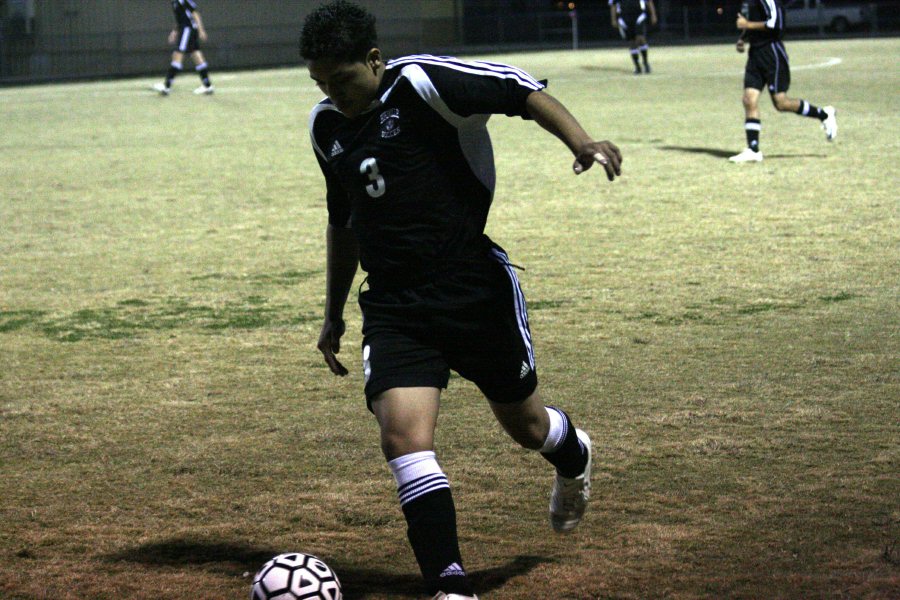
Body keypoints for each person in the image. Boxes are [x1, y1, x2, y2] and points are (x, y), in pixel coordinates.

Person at [301, 1, 622, 598]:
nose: (332, 94)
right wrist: (331, 314)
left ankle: (573, 453)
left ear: (374, 59)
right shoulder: (326, 128)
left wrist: (581, 141)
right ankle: (451, 585)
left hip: (470, 287)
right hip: (396, 305)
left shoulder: (423, 82)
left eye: (341, 79)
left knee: (525, 426)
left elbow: (521, 90)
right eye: (320, 82)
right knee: (403, 442)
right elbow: (342, 219)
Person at [729, 0, 837, 162]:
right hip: (755, 54)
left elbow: (776, 23)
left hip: (772, 54)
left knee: (781, 103)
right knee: (748, 100)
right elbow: (755, 18)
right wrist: (743, 38)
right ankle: (753, 149)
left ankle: (824, 114)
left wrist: (747, 25)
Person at [153, 0, 214, 95]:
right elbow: (181, 19)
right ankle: (207, 85)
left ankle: (167, 86)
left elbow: (195, 13)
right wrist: (175, 31)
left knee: (177, 55)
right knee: (196, 55)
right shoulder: (175, 2)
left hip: (187, 30)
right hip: (187, 30)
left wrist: (201, 30)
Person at [609, 0, 657, 74]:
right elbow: (613, 5)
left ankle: (645, 62)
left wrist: (653, 14)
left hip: (639, 14)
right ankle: (637, 67)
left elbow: (649, 1)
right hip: (624, 16)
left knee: (640, 38)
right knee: (632, 42)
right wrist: (613, 19)